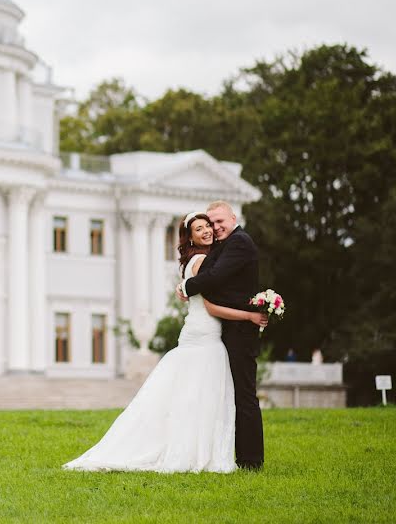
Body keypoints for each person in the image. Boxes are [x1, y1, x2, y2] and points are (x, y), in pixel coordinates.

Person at [63, 211, 267, 473]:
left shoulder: (203, 257)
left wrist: (185, 286)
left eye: (210, 225)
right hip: (206, 334)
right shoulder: (202, 259)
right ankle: (197, 451)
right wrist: (246, 314)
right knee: (200, 396)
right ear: (190, 237)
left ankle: (204, 449)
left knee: (199, 395)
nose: (208, 230)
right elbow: (212, 303)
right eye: (201, 228)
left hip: (205, 333)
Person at [178, 200, 265, 471]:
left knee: (244, 394)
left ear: (233, 217)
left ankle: (251, 460)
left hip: (239, 332)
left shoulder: (239, 242)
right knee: (228, 394)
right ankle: (235, 455)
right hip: (224, 329)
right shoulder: (223, 245)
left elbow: (215, 277)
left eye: (217, 222)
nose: (214, 228)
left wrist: (186, 286)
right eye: (208, 224)